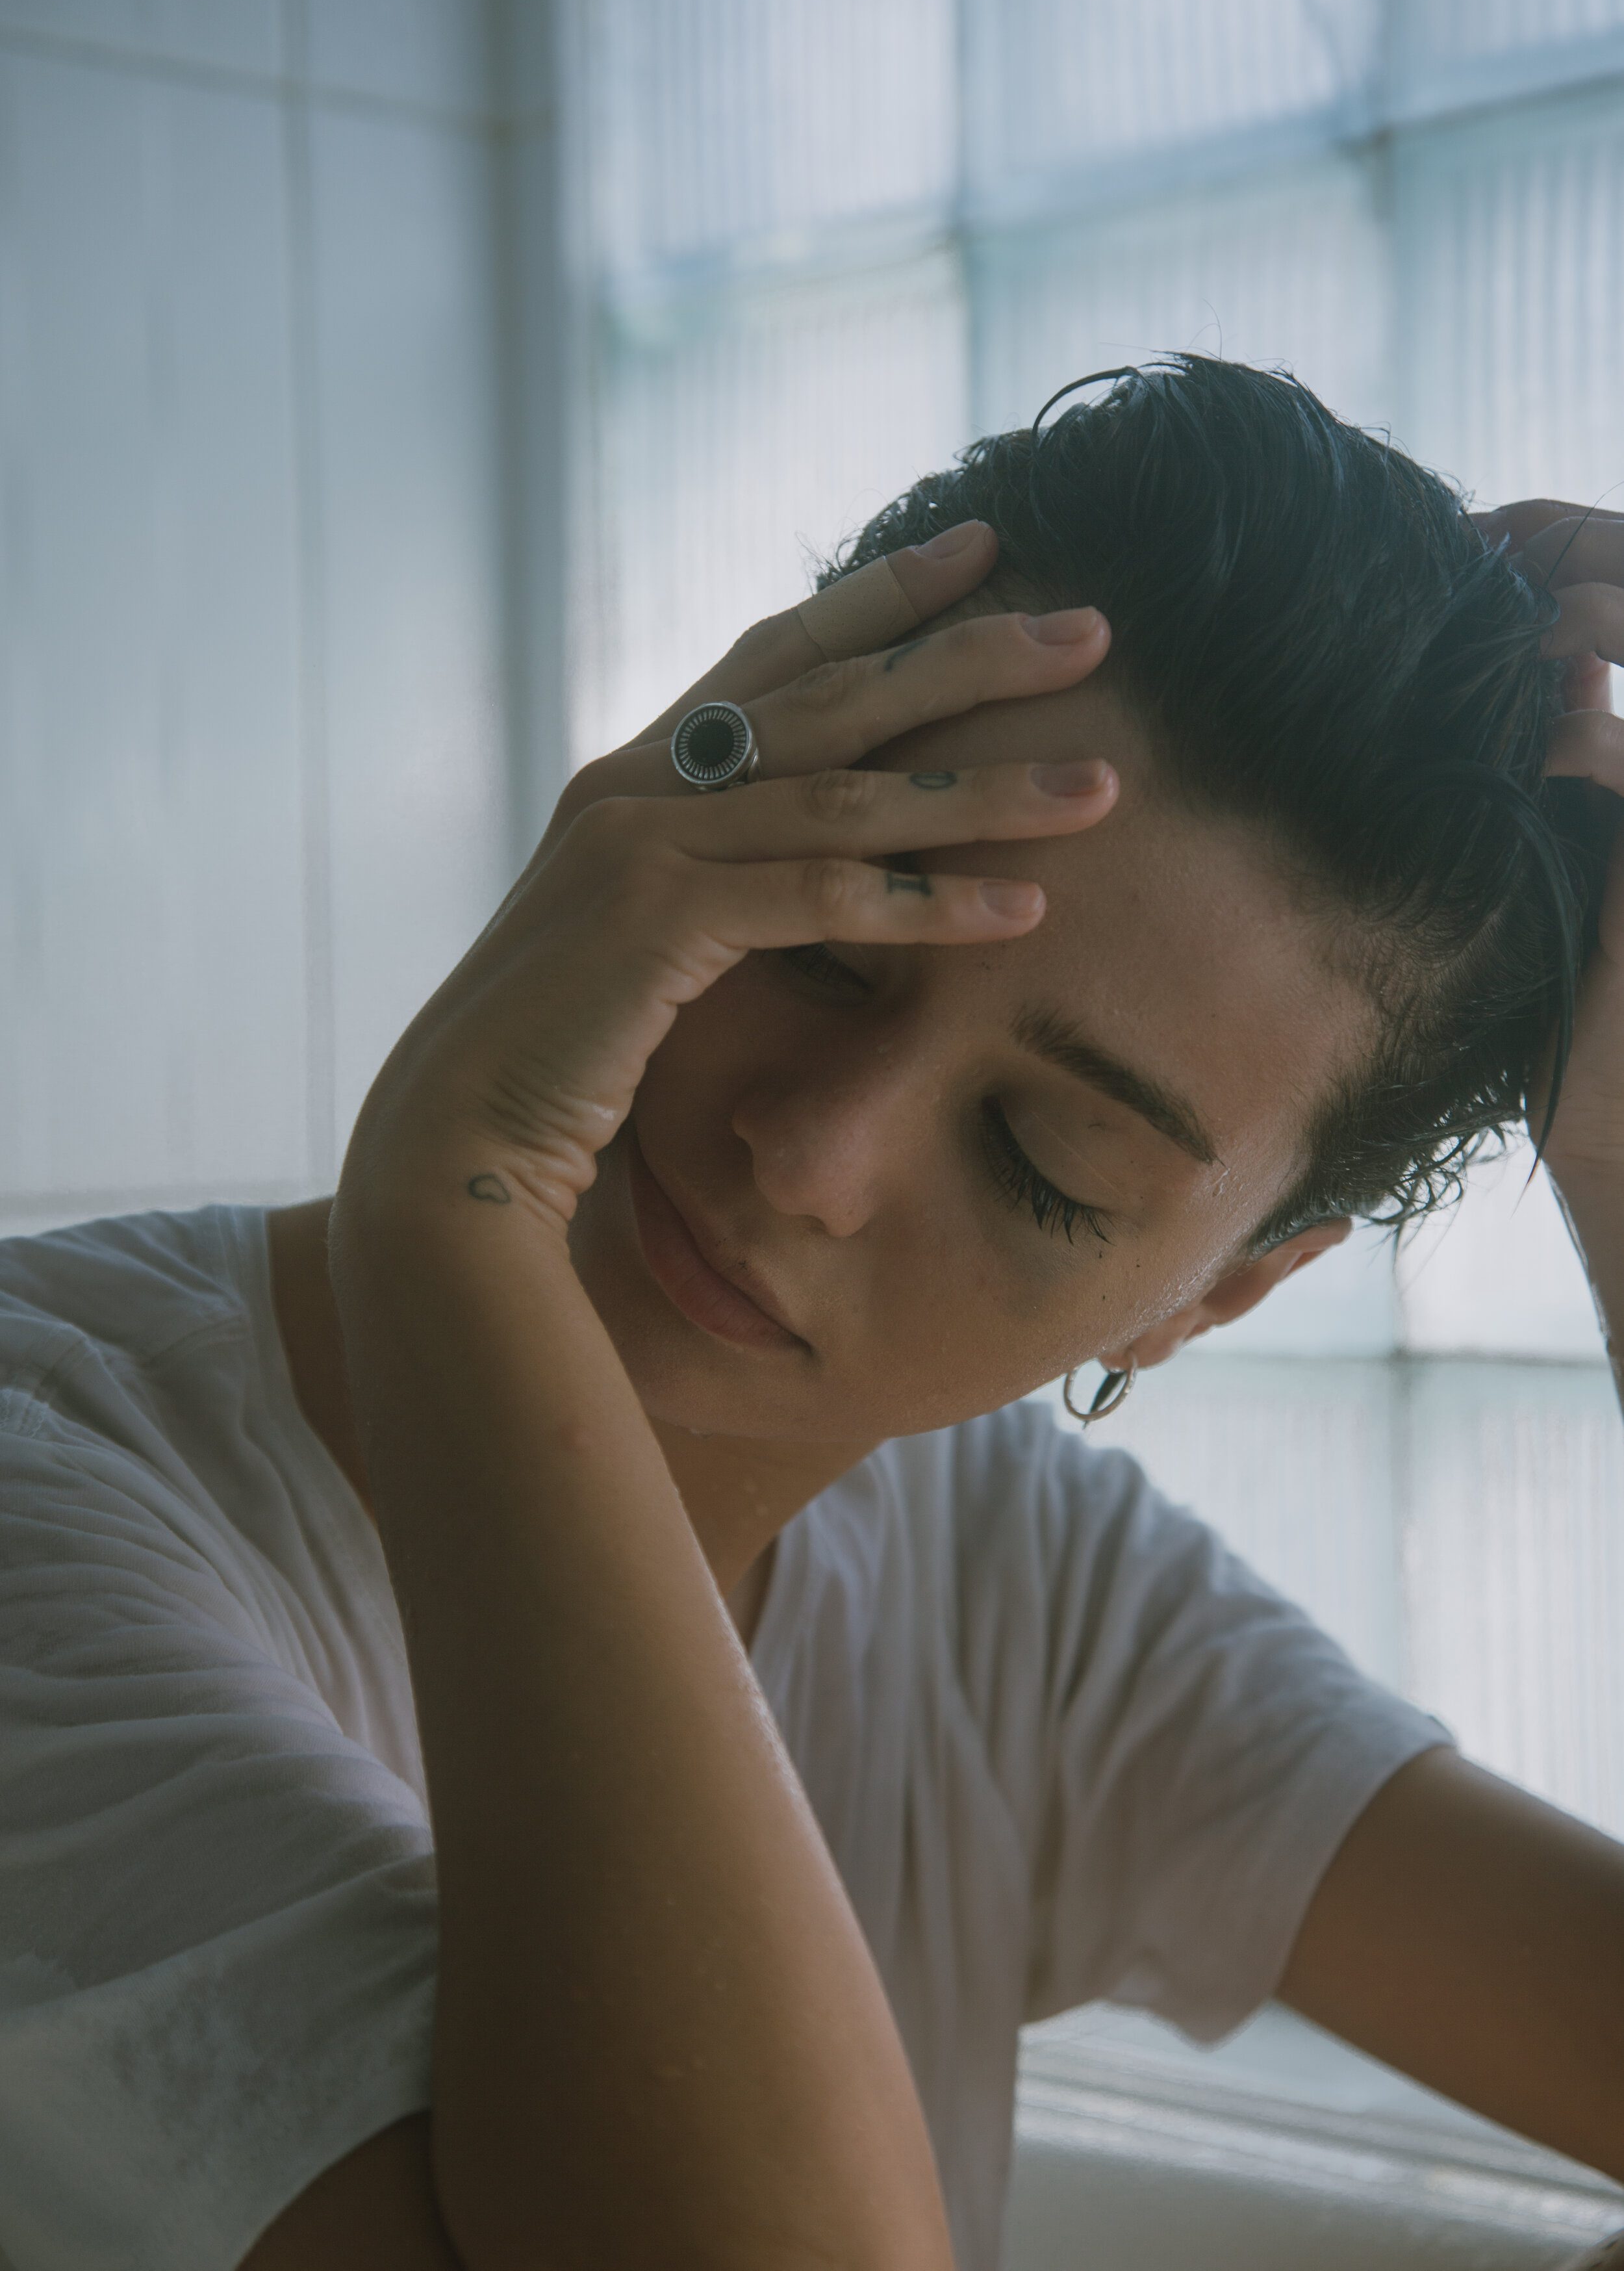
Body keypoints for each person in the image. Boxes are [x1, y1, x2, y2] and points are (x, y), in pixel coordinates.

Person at [1, 359, 1621, 2271]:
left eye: (1042, 1161)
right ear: (686, 788)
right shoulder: (57, 1479)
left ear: (1225, 1291)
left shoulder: (1013, 1572)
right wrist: (452, 1205)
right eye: (829, 944)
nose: (811, 1155)